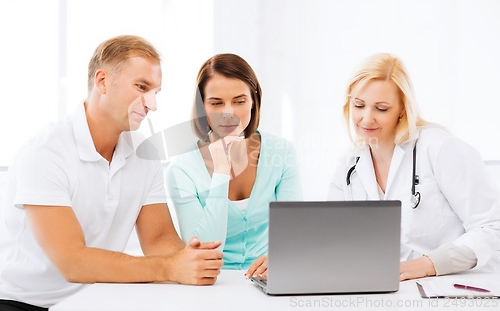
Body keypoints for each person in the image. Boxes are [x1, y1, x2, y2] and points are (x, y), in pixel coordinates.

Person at [0, 35, 223, 311]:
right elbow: (73, 262)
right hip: (26, 304)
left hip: (97, 298)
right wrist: (168, 268)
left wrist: (191, 260)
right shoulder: (46, 154)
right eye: (142, 87)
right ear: (102, 81)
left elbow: (158, 239)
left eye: (155, 92)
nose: (152, 105)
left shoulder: (143, 152)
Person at [328, 53, 500, 281]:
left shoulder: (439, 148)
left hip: (450, 287)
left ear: (402, 109)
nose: (366, 119)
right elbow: (332, 236)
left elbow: (492, 228)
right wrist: (296, 258)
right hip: (387, 289)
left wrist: (430, 264)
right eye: (359, 105)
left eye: (381, 109)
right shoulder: (350, 165)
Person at [166, 53, 302, 277]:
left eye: (239, 101)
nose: (228, 113)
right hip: (210, 282)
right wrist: (220, 173)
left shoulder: (282, 152)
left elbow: (296, 232)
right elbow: (204, 248)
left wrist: (282, 258)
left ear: (253, 102)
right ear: (202, 107)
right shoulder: (182, 168)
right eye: (216, 103)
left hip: (267, 278)